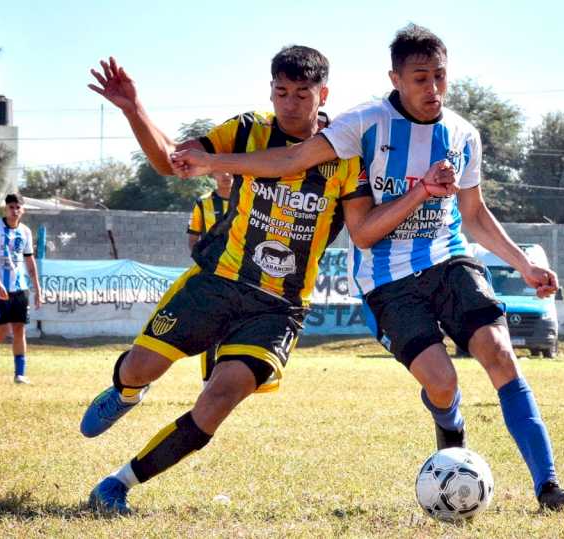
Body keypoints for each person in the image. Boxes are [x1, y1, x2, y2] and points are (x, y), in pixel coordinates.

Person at [171, 24, 564, 512]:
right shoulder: (365, 123)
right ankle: (450, 427)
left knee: (499, 354)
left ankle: (548, 487)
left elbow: (473, 214)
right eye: (419, 79)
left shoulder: (463, 134)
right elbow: (298, 159)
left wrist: (524, 264)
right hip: (386, 279)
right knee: (442, 381)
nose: (431, 89)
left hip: (448, 259)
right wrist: (211, 161)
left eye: (439, 77)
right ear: (395, 77)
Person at [81, 47, 453, 515]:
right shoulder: (247, 131)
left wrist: (420, 194)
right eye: (281, 92)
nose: (290, 103)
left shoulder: (347, 154)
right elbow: (172, 161)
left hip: (278, 308)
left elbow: (361, 229)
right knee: (138, 368)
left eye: (302, 94)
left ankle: (118, 484)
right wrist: (134, 109)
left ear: (324, 95)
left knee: (218, 399)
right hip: (217, 281)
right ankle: (127, 392)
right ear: (270, 91)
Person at [0, 193, 42, 384]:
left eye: (17, 207)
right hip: (0, 287)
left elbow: (29, 260)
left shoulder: (26, 232)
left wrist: (37, 288)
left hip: (20, 287)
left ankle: (19, 374)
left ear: (23, 210)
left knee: (20, 329)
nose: (14, 210)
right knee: (3, 329)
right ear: (5, 209)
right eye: (11, 207)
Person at [186, 170, 232, 388]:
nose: (227, 175)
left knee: (235, 328)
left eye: (232, 171)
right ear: (213, 174)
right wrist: (202, 262)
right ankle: (207, 381)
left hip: (240, 273)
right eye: (222, 171)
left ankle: (229, 379)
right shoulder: (203, 203)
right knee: (210, 328)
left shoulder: (248, 200)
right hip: (211, 275)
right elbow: (193, 237)